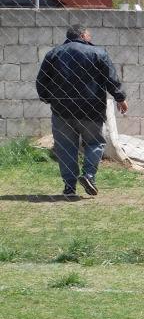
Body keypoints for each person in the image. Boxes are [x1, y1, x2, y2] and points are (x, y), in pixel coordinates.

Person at [35, 24, 128, 197]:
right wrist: (120, 98)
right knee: (95, 143)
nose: (90, 38)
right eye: (89, 35)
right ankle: (88, 175)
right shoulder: (98, 53)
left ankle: (69, 187)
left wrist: (49, 99)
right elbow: (110, 78)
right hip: (90, 109)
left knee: (65, 147)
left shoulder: (54, 54)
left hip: (62, 109)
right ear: (83, 35)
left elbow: (41, 81)